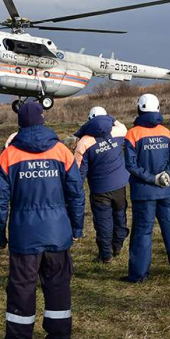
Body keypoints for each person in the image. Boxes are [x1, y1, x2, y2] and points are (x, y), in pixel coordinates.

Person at [0, 102, 85, 339]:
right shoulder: (62, 151)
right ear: (43, 120)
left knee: (21, 290)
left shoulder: (8, 156)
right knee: (58, 287)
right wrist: (76, 227)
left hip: (24, 237)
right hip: (58, 234)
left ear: (19, 123)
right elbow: (76, 193)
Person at [122, 94, 170, 283]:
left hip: (143, 193)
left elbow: (131, 165)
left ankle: (138, 275)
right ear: (158, 108)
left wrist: (152, 178)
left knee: (142, 232)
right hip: (166, 191)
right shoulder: (168, 133)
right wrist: (167, 174)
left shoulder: (132, 134)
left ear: (139, 109)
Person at [73, 106, 130, 263]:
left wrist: (74, 190)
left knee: (103, 221)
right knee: (120, 216)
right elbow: (118, 123)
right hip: (120, 185)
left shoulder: (83, 143)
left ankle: (105, 255)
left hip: (99, 190)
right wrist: (109, 118)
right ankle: (117, 245)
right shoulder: (119, 132)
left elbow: (78, 172)